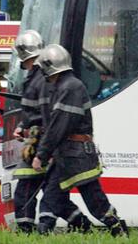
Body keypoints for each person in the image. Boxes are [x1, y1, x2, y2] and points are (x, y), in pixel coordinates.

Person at [32, 44, 128, 236]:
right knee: (51, 196)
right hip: (67, 155)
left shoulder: (71, 87)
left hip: (77, 157)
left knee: (95, 201)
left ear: (50, 68)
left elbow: (59, 126)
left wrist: (41, 155)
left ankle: (119, 231)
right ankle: (41, 235)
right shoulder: (64, 86)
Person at [12, 31, 91, 233]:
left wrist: (40, 145)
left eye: (29, 61)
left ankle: (27, 231)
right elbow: (36, 111)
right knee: (53, 195)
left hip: (41, 140)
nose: (29, 65)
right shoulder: (40, 77)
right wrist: (23, 126)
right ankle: (82, 226)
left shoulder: (42, 78)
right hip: (41, 139)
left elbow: (48, 114)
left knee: (28, 189)